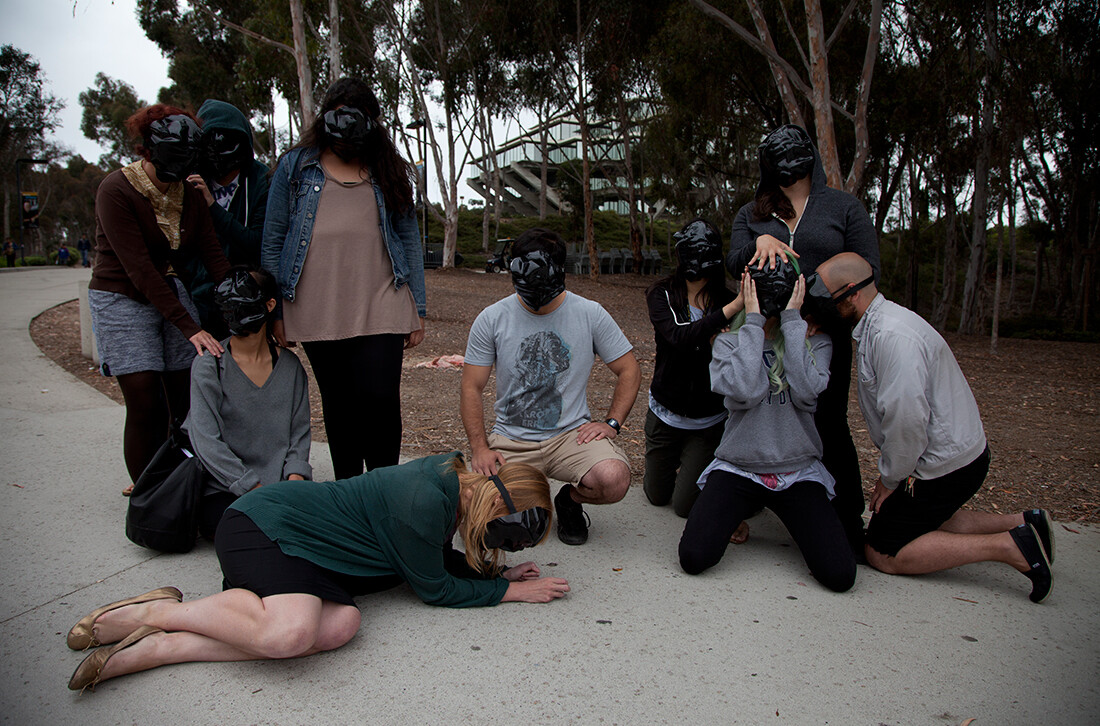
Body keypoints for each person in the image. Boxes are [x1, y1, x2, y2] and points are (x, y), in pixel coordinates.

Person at [64, 453, 569, 692]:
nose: (510, 545)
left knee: (341, 625)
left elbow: (429, 558)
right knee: (290, 633)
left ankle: (162, 645)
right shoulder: (422, 501)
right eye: (513, 535)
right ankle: (158, 612)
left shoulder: (449, 484)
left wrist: (498, 578)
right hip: (266, 524)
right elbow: (433, 586)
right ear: (493, 504)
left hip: (317, 554)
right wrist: (508, 595)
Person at [813, 252, 1055, 602]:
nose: (824, 310)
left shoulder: (893, 337)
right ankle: (1024, 522)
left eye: (828, 300)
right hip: (951, 456)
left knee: (881, 550)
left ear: (852, 292)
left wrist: (891, 479)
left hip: (945, 466)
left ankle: (1010, 547)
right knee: (909, 517)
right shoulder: (882, 324)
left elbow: (907, 421)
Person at [728, 123, 881, 556]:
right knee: (754, 408)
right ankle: (747, 497)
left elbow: (866, 269)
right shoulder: (752, 212)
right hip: (762, 331)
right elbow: (734, 260)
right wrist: (763, 237)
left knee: (827, 418)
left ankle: (845, 511)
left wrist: (816, 310)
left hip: (822, 332)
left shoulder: (843, 207)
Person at [261, 77, 425, 480]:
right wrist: (275, 311)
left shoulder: (388, 168)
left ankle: (385, 489)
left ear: (372, 121)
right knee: (339, 403)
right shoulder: (296, 166)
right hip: (316, 303)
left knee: (381, 398)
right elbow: (274, 238)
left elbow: (407, 236)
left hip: (381, 297)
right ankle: (349, 493)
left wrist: (417, 306)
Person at [678, 259, 856, 593]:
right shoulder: (728, 342)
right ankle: (740, 511)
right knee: (694, 557)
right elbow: (746, 391)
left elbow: (806, 392)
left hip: (797, 469)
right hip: (739, 467)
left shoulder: (816, 341)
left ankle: (777, 514)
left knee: (840, 575)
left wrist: (792, 320)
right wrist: (754, 321)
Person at [461, 227, 641, 546]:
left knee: (614, 480)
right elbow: (471, 387)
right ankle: (529, 494)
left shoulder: (589, 313)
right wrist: (480, 448)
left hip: (570, 435)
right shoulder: (492, 318)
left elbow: (628, 369)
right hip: (512, 438)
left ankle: (569, 502)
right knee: (477, 517)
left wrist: (612, 423)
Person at [88, 105, 230, 495]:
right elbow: (137, 268)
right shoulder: (116, 189)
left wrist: (240, 300)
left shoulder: (188, 192)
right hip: (120, 295)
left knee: (184, 398)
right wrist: (191, 327)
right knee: (145, 397)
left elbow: (211, 251)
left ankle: (180, 479)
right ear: (147, 151)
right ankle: (148, 490)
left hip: (168, 291)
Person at [182, 266, 312, 538]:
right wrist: (253, 489)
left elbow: (299, 435)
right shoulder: (209, 367)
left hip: (280, 489)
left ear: (270, 304)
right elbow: (206, 440)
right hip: (225, 490)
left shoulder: (290, 368)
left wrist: (294, 481)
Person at [644, 218, 744, 519]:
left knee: (685, 506)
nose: (695, 258)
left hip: (707, 420)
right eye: (689, 250)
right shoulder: (660, 293)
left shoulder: (724, 299)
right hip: (665, 413)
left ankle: (708, 476)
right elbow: (678, 336)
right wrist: (732, 310)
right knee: (657, 496)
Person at [186, 100, 271, 339]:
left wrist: (212, 207)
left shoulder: (261, 179)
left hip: (244, 295)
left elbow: (257, 242)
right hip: (198, 295)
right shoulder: (191, 177)